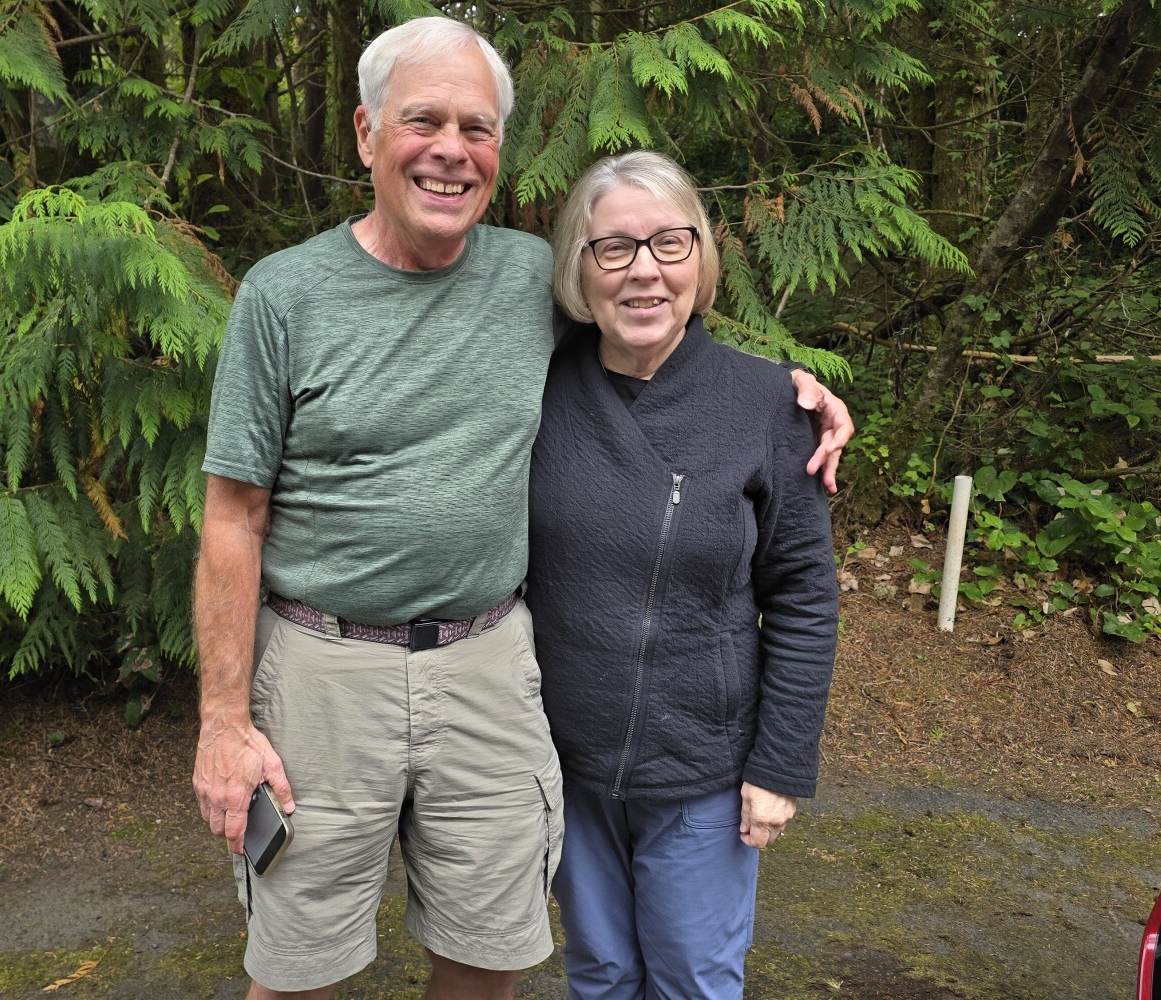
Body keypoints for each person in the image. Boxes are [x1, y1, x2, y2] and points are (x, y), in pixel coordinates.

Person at [191, 19, 850, 1000]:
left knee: (490, 951)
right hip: (324, 673)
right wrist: (222, 720)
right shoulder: (283, 297)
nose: (451, 150)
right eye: (423, 121)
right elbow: (233, 517)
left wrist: (789, 394)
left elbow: (649, 323)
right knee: (297, 965)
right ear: (367, 133)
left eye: (477, 128)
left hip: (489, 672)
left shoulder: (524, 279)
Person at [525, 150, 841, 1000]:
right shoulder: (534, 391)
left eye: (670, 244)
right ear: (579, 270)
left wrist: (780, 765)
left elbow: (804, 599)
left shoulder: (768, 404)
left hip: (704, 767)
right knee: (599, 973)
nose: (644, 271)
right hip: (566, 758)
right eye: (614, 248)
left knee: (693, 981)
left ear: (701, 260)